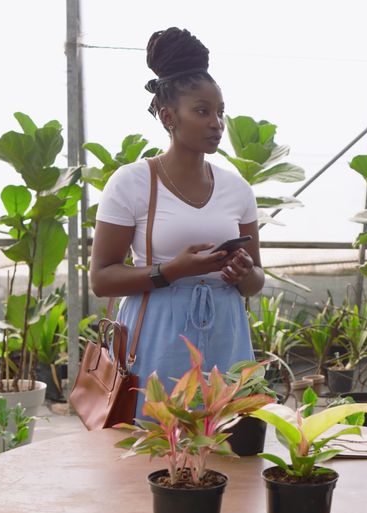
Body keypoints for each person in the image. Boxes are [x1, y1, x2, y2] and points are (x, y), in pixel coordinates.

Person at [89, 27, 264, 416]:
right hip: (156, 336)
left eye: (220, 112)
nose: (216, 122)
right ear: (169, 116)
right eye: (202, 111)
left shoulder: (238, 190)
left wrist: (243, 272)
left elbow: (256, 282)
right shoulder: (131, 183)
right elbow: (101, 279)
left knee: (227, 448)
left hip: (226, 333)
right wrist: (171, 271)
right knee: (154, 446)